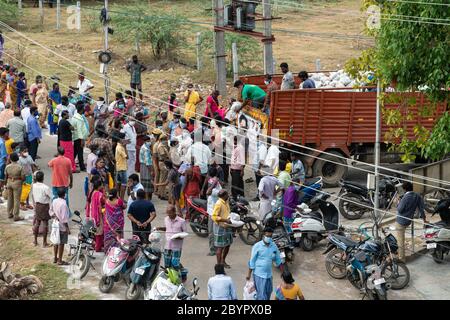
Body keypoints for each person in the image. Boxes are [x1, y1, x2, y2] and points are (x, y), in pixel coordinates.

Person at [247, 226, 284, 300]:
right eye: (267, 236)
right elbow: (252, 261)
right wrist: (248, 274)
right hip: (259, 275)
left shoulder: (273, 246)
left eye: (270, 236)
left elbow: (278, 260)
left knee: (268, 292)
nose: (269, 238)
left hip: (269, 275)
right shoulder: (257, 246)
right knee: (261, 295)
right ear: (263, 235)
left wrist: (283, 273)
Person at [395, 181, 427, 262]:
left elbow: (400, 209)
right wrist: (424, 219)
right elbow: (421, 208)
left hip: (401, 221)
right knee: (402, 238)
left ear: (404, 189)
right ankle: (400, 255)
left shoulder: (405, 198)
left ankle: (401, 259)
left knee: (400, 241)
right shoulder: (417, 196)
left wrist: (398, 201)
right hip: (409, 220)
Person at [157, 204, 187, 269]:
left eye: (170, 213)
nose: (168, 215)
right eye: (167, 213)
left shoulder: (181, 221)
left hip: (177, 246)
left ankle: (178, 276)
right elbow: (167, 228)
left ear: (174, 212)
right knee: (167, 264)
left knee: (175, 263)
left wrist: (178, 237)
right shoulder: (166, 219)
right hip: (167, 246)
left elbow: (185, 233)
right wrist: (159, 228)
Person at [212, 190, 233, 267]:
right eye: (227, 194)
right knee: (220, 247)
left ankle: (223, 261)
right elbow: (214, 217)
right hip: (220, 227)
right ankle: (219, 266)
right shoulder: (218, 204)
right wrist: (225, 220)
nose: (228, 196)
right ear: (224, 196)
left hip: (227, 226)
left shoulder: (226, 202)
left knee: (227, 245)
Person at [31, 171, 53, 247]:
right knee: (45, 224)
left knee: (37, 223)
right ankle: (44, 242)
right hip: (44, 206)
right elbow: (52, 196)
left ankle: (35, 241)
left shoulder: (33, 185)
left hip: (37, 205)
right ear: (43, 178)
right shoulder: (45, 187)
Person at [50, 187, 70, 265]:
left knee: (56, 241)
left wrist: (54, 216)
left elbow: (51, 211)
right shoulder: (64, 204)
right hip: (62, 227)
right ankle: (60, 260)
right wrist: (67, 228)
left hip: (55, 224)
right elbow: (64, 219)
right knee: (61, 243)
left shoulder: (54, 201)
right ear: (64, 195)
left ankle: (55, 257)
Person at [104, 188, 126, 253]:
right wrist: (119, 197)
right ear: (116, 194)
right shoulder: (119, 201)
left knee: (109, 238)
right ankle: (118, 251)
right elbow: (124, 206)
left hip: (109, 224)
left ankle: (108, 251)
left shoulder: (107, 201)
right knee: (118, 237)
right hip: (118, 224)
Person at [206, 166, 222, 256]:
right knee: (214, 232)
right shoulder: (215, 182)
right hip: (212, 211)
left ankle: (214, 249)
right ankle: (215, 248)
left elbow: (208, 192)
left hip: (214, 212)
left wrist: (213, 183)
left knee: (212, 232)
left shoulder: (215, 186)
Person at [85, 179, 105, 252]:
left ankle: (95, 245)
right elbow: (104, 202)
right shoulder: (99, 194)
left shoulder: (92, 192)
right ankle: (98, 247)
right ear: (99, 186)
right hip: (98, 216)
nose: (103, 186)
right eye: (102, 185)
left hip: (92, 215)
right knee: (99, 232)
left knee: (94, 232)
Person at [5, 153, 25, 221]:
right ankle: (16, 216)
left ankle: (9, 213)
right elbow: (23, 177)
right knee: (17, 200)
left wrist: (6, 184)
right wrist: (22, 181)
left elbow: (6, 176)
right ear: (17, 158)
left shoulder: (7, 166)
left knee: (10, 199)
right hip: (17, 183)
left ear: (10, 159)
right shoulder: (20, 167)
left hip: (9, 182)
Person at [71, 102, 89, 172]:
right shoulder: (79, 119)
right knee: (80, 153)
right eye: (84, 109)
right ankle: (82, 167)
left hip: (76, 137)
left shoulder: (77, 116)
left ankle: (71, 164)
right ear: (81, 110)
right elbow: (79, 130)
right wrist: (82, 140)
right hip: (79, 138)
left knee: (75, 152)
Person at [18, 146, 37, 211]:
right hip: (23, 177)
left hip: (29, 175)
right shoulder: (19, 159)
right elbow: (19, 170)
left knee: (28, 190)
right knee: (23, 191)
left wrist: (34, 174)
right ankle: (22, 204)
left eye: (27, 151)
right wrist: (21, 178)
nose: (26, 152)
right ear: (20, 152)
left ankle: (27, 203)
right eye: (24, 151)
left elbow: (32, 165)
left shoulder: (29, 157)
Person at [251, 135, 268, 201]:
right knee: (258, 183)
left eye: (258, 140)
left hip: (259, 170)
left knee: (260, 183)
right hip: (256, 169)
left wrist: (258, 169)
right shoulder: (258, 147)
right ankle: (259, 195)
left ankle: (260, 196)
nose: (257, 141)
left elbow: (262, 160)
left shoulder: (262, 148)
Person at [139, 135, 154, 200]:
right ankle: (147, 198)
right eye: (148, 141)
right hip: (146, 167)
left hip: (143, 166)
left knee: (145, 182)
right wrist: (151, 170)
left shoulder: (143, 147)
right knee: (147, 182)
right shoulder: (146, 149)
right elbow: (148, 162)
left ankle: (146, 197)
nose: (149, 142)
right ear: (145, 141)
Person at [155, 134, 170, 200]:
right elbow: (163, 155)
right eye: (165, 139)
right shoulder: (161, 146)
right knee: (163, 179)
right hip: (163, 163)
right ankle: (162, 194)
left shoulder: (162, 145)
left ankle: (160, 193)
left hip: (162, 162)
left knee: (162, 178)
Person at [114, 132, 128, 200]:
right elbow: (126, 156)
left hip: (119, 167)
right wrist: (125, 147)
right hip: (122, 168)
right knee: (124, 184)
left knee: (119, 183)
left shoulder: (119, 146)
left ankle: (118, 197)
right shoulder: (120, 148)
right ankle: (121, 199)